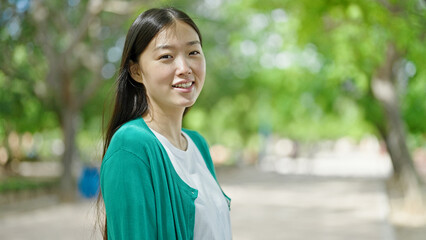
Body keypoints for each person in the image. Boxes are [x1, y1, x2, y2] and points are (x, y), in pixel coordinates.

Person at [99, 7, 232, 240]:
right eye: (166, 57)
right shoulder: (130, 146)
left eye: (193, 52)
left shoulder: (197, 144)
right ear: (136, 71)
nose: (184, 68)